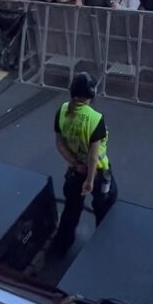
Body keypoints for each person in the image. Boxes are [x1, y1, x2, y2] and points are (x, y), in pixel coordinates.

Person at [53, 71, 118, 255]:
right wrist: (89, 180)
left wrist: (73, 163)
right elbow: (93, 154)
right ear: (91, 94)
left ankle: (61, 247)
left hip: (74, 171)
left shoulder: (63, 110)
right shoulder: (95, 118)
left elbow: (59, 143)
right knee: (105, 203)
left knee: (71, 210)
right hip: (96, 173)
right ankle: (102, 249)